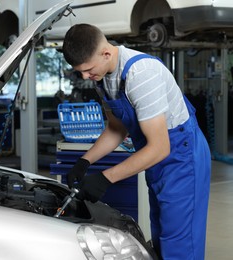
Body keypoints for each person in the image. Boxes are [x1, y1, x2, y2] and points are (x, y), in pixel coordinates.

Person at [62, 24, 211, 260]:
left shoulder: (140, 74)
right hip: (155, 159)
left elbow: (160, 147)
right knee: (161, 235)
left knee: (180, 244)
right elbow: (116, 129)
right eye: (80, 72)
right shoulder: (102, 78)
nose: (85, 77)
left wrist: (106, 177)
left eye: (88, 70)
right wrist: (85, 161)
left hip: (182, 157)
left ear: (106, 53)